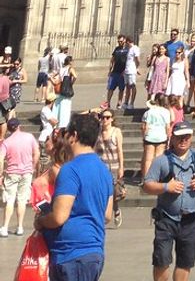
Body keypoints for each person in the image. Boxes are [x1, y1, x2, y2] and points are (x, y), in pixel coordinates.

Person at [34, 111, 114, 281]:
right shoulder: (104, 170)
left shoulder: (70, 170)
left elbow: (58, 217)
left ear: (74, 136)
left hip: (71, 253)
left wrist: (41, 220)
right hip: (94, 251)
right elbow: (107, 215)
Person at [142, 120, 195, 281]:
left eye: (187, 136)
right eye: (179, 137)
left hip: (189, 219)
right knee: (161, 260)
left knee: (186, 261)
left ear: (191, 137)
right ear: (173, 138)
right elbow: (147, 185)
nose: (183, 140)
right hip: (166, 218)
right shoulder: (161, 161)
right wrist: (165, 187)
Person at [0, 118, 41, 237]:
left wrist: (0, 174)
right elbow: (37, 153)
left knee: (10, 199)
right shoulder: (29, 137)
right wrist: (33, 166)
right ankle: (20, 227)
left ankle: (5, 227)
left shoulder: (6, 142)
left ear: (8, 129)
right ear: (19, 126)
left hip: (12, 173)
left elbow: (1, 159)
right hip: (26, 172)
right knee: (22, 200)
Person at [95, 109, 125, 227]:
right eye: (103, 117)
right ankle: (103, 216)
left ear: (112, 119)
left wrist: (121, 167)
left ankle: (116, 210)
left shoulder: (116, 132)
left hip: (114, 166)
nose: (105, 120)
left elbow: (120, 150)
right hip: (102, 166)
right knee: (102, 191)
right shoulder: (98, 132)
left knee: (113, 192)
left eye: (107, 117)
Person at [141, 93, 172, 179]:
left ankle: (146, 179)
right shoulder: (166, 112)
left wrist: (144, 136)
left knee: (148, 159)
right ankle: (157, 178)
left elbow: (145, 127)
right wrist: (168, 137)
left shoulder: (149, 112)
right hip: (161, 136)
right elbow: (167, 127)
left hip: (150, 136)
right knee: (159, 158)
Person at [105, 35, 129, 110]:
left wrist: (125, 70)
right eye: (118, 41)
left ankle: (119, 103)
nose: (120, 43)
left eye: (121, 41)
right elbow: (112, 60)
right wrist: (110, 70)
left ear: (124, 40)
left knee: (121, 89)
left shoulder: (128, 49)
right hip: (115, 72)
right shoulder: (116, 49)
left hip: (122, 72)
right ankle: (108, 103)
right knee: (110, 88)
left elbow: (129, 61)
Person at [55, 56, 77, 129]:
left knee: (60, 106)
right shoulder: (70, 69)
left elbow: (58, 78)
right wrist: (71, 83)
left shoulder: (62, 69)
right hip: (67, 89)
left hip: (61, 89)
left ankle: (58, 124)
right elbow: (75, 76)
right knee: (66, 107)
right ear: (70, 62)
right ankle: (64, 124)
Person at [124, 36, 141, 110]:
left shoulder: (135, 48)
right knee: (127, 87)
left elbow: (138, 59)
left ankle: (131, 103)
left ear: (128, 42)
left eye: (125, 42)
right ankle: (126, 103)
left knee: (133, 86)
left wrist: (137, 68)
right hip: (127, 70)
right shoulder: (129, 49)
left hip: (132, 70)